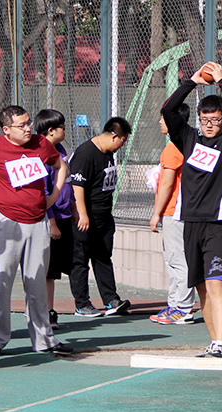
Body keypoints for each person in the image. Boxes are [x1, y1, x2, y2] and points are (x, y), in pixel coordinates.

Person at [0, 105, 73, 356]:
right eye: (21, 125)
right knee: (1, 282)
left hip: (38, 222)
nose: (28, 128)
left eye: (28, 122)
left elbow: (60, 166)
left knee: (37, 283)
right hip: (6, 224)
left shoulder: (41, 143)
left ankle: (43, 339)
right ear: (6, 129)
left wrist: (53, 196)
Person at [162, 62, 222, 358]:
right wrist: (192, 81)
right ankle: (214, 343)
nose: (209, 124)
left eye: (215, 119)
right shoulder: (189, 139)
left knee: (216, 286)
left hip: (220, 224)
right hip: (191, 223)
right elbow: (168, 110)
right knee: (202, 288)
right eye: (204, 119)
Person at [68, 117, 132, 318]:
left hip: (104, 216)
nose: (122, 145)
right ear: (114, 136)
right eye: (122, 140)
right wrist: (82, 214)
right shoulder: (86, 153)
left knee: (103, 257)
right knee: (80, 260)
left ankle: (111, 300)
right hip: (86, 217)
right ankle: (82, 304)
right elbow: (77, 186)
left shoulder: (108, 153)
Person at [149, 104, 196, 325]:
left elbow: (167, 184)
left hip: (175, 212)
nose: (160, 122)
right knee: (174, 260)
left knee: (178, 260)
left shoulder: (173, 148)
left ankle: (183, 309)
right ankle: (175, 305)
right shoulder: (190, 143)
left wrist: (156, 213)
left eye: (163, 118)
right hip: (182, 211)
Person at [34, 109, 74, 330]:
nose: (65, 131)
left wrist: (74, 209)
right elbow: (43, 191)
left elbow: (67, 182)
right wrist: (51, 222)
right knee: (47, 270)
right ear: (51, 130)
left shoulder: (60, 150)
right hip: (52, 219)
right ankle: (46, 311)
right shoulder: (41, 154)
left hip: (65, 216)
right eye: (62, 128)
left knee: (57, 268)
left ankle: (47, 308)